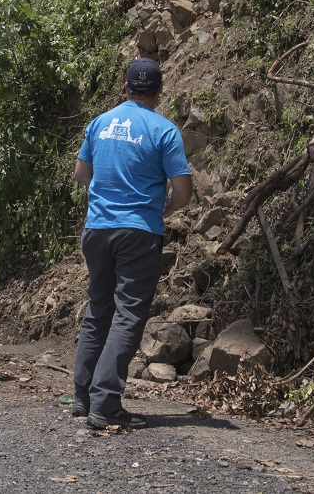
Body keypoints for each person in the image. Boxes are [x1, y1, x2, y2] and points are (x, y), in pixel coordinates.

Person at [72, 58, 193, 429]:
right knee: (127, 314)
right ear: (159, 90)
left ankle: (83, 396)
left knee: (98, 311)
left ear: (125, 86)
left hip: (97, 230)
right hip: (138, 231)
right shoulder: (164, 130)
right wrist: (163, 208)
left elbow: (81, 176)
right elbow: (183, 192)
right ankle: (105, 404)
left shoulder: (100, 123)